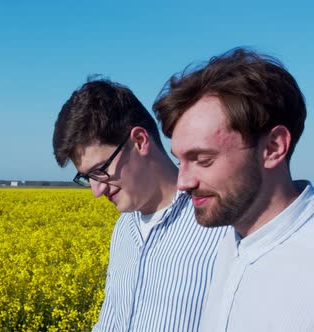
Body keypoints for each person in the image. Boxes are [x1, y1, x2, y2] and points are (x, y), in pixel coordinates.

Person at [152, 47, 314, 332]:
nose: (183, 182)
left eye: (203, 160)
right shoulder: (230, 243)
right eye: (180, 161)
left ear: (273, 148)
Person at [53, 78, 228, 331]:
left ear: (139, 141)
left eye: (100, 170)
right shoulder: (124, 229)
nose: (97, 190)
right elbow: (111, 322)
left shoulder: (220, 225)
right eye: (86, 177)